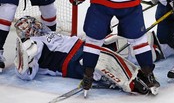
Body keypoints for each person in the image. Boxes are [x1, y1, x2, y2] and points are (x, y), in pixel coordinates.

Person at [13, 16, 158, 95]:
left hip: (82, 46)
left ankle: (152, 53)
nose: (35, 27)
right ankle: (133, 82)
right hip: (71, 61)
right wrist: (23, 59)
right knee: (105, 59)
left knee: (112, 39)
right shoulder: (34, 43)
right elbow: (27, 73)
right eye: (29, 27)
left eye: (32, 23)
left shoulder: (47, 34)